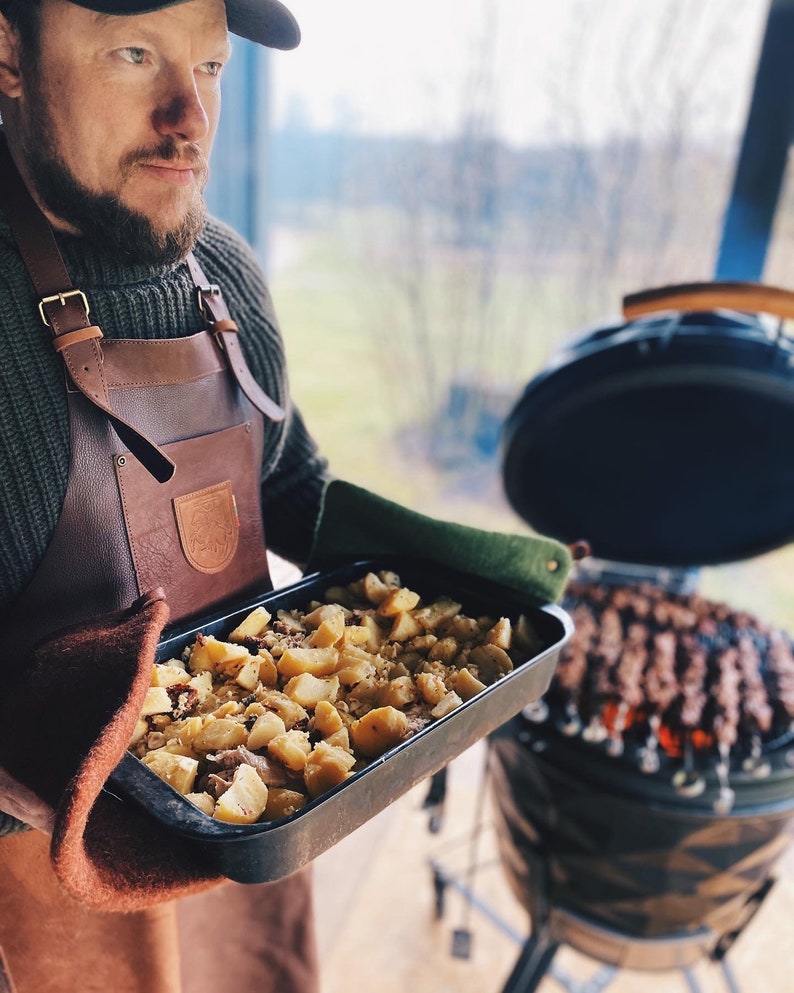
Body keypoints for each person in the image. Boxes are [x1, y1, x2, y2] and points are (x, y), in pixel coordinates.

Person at [0, 2, 571, 992]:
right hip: (57, 883)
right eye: (134, 55)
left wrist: (473, 585)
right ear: (10, 56)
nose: (187, 112)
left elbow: (288, 488)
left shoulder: (224, 273)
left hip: (262, 807)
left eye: (211, 66)